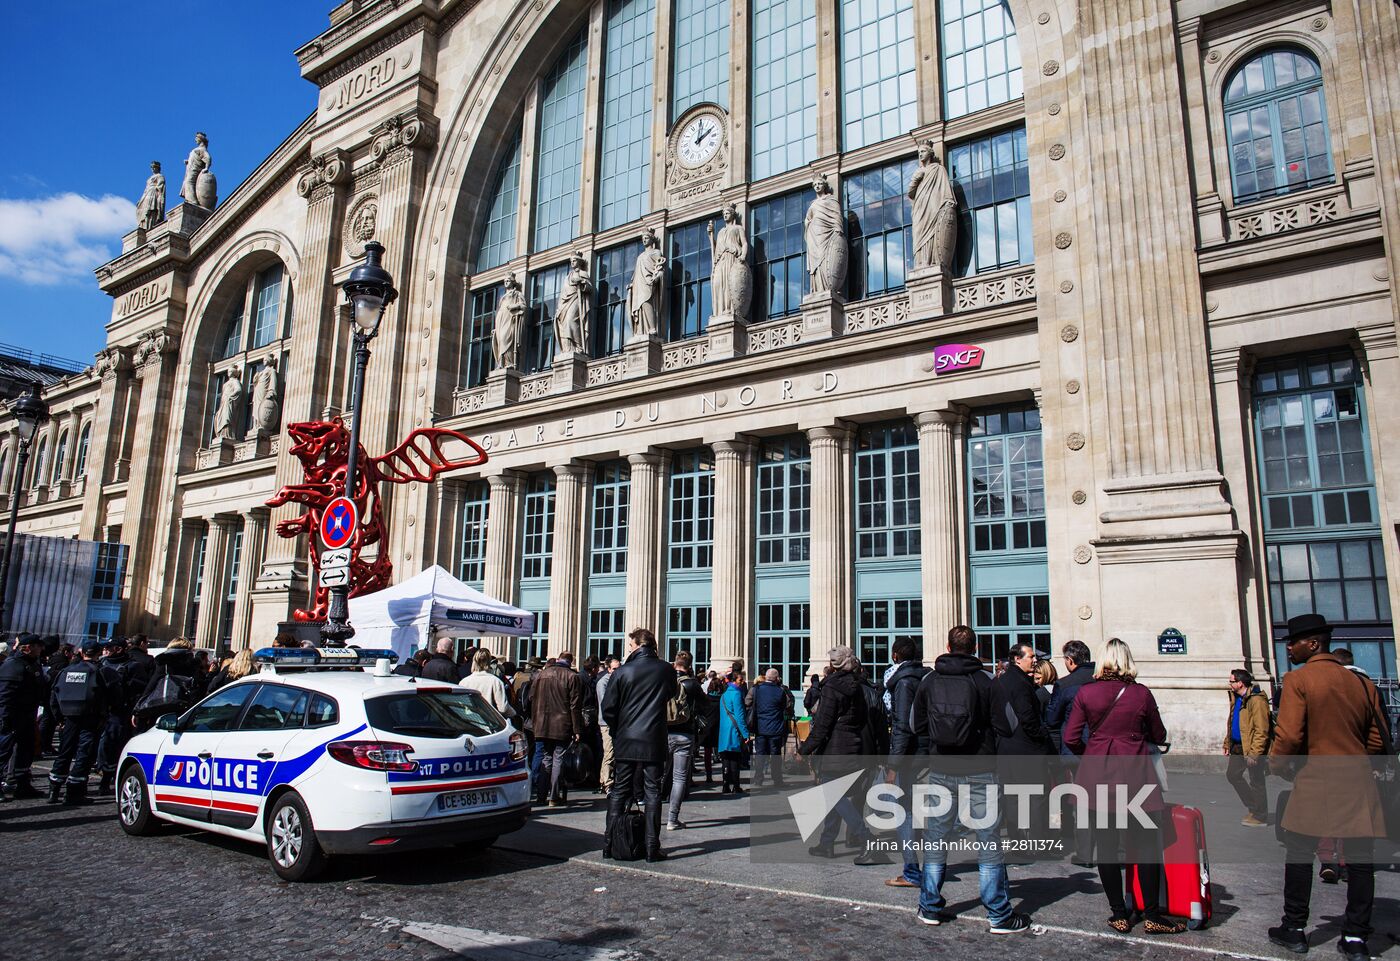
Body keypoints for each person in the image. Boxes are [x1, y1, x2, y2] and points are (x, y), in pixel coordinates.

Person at [1267, 614, 1389, 961]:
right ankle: (1355, 936)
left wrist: (1278, 765)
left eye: (1294, 641)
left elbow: (1289, 735)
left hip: (1315, 779)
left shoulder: (1299, 679)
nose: (1288, 647)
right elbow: (1378, 738)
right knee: (1362, 861)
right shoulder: (1363, 684)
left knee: (1300, 854)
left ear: (1314, 643)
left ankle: (1294, 928)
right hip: (1357, 780)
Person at [911, 625, 1031, 934]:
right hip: (981, 769)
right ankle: (999, 914)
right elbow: (1009, 724)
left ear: (947, 646)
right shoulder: (987, 681)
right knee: (988, 841)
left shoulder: (930, 679)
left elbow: (915, 723)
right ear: (975, 648)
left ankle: (930, 906)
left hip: (941, 769)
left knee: (936, 839)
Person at [1065, 638, 1185, 935]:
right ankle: (1153, 915)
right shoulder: (1141, 694)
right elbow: (1158, 733)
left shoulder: (1087, 693)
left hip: (1099, 775)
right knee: (1146, 845)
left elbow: (1070, 737)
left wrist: (1091, 755)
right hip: (1137, 775)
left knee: (1105, 844)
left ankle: (1119, 913)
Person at [601, 628, 676, 862]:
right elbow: (671, 694)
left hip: (626, 738)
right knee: (652, 791)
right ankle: (652, 847)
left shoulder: (623, 671)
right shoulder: (665, 669)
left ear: (638, 645)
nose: (629, 648)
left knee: (620, 791)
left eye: (630, 644)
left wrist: (618, 729)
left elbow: (608, 708)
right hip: (653, 738)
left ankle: (609, 844)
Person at [799, 647, 872, 859]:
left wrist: (805, 749)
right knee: (835, 795)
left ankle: (866, 837)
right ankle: (826, 843)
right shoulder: (856, 685)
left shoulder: (832, 687)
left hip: (834, 749)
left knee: (834, 796)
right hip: (853, 744)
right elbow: (861, 716)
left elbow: (823, 724)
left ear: (833, 664)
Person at [882, 637, 931, 886]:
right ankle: (933, 866)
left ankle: (912, 870)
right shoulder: (928, 677)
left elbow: (902, 725)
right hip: (930, 751)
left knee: (902, 809)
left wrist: (894, 765)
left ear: (895, 656)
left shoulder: (903, 683)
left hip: (910, 754)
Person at [47, 639, 115, 806]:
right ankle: (74, 793)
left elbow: (54, 695)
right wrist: (103, 717)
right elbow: (107, 697)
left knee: (65, 752)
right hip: (90, 718)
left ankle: (54, 789)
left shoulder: (67, 670)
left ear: (82, 653)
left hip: (68, 718)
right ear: (98, 654)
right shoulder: (99, 672)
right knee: (84, 754)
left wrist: (59, 718)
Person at [531, 650, 584, 806]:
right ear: (571, 661)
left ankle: (541, 796)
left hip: (541, 724)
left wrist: (535, 722)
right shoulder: (572, 676)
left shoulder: (542, 674)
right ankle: (554, 796)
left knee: (546, 759)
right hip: (562, 724)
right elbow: (575, 706)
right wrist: (577, 729)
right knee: (558, 758)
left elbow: (531, 699)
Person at [0, 633, 47, 801]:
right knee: (3, 752)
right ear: (27, 648)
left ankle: (22, 784)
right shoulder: (13, 665)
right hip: (12, 716)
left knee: (25, 751)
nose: (40, 649)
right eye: (37, 646)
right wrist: (5, 718)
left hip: (28, 715)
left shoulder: (32, 664)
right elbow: (5, 695)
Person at [1223, 668, 1271, 827]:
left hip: (1251, 747)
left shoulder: (1256, 700)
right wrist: (1227, 742)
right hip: (1238, 745)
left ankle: (1260, 815)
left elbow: (1261, 729)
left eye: (1231, 681)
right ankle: (1253, 807)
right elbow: (1233, 722)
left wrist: (1255, 753)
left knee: (1256, 781)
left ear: (1240, 683)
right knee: (1232, 775)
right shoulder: (1236, 698)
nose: (1229, 683)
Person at [94, 637, 139, 796]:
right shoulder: (101, 665)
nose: (105, 651)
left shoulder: (133, 666)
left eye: (109, 648)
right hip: (102, 712)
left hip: (120, 713)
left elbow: (138, 691)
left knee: (114, 746)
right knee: (102, 746)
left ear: (119, 649)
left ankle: (107, 780)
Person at [667, 650, 706, 829]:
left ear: (674, 663)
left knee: (656, 774)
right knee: (679, 778)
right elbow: (706, 705)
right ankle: (672, 819)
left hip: (662, 732)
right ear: (689, 666)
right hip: (685, 733)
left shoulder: (664, 682)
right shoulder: (692, 684)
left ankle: (652, 816)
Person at [134, 638, 206, 730]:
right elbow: (199, 687)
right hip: (186, 707)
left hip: (163, 705)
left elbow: (151, 686)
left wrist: (137, 710)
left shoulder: (164, 663)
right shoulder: (194, 664)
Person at [1045, 639, 1094, 755]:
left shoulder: (1064, 684)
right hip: (1101, 747)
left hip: (1074, 748)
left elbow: (1052, 719)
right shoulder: (1103, 678)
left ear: (1070, 660)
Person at [747, 668, 793, 789]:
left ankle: (758, 778)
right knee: (775, 755)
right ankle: (777, 779)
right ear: (777, 678)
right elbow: (788, 706)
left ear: (766, 677)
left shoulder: (756, 689)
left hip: (760, 727)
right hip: (776, 728)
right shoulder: (781, 691)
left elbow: (747, 702)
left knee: (760, 754)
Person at [716, 669, 751, 795]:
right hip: (734, 729)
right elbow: (740, 716)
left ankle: (726, 785)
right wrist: (746, 734)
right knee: (735, 758)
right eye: (740, 680)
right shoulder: (736, 694)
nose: (742, 682)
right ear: (733, 681)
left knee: (726, 758)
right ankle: (736, 785)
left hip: (724, 729)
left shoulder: (724, 695)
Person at [460, 649, 516, 719]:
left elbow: (461, 706)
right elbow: (503, 708)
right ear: (489, 662)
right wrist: (514, 714)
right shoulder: (496, 681)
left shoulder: (464, 682)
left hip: (470, 722)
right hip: (490, 723)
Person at [595, 655, 621, 793]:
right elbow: (605, 704)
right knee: (609, 753)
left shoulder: (617, 680)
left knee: (612, 753)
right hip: (606, 723)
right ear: (609, 669)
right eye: (615, 668)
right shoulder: (603, 683)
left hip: (616, 722)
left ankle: (604, 780)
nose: (618, 670)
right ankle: (607, 783)